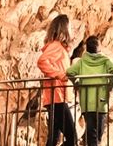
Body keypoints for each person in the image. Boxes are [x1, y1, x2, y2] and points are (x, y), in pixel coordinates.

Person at [67, 36, 113, 146]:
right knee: (98, 133)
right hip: (101, 102)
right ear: (99, 48)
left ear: (87, 49)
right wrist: (109, 85)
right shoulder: (105, 60)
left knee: (91, 133)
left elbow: (69, 72)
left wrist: (77, 83)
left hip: (87, 102)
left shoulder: (82, 61)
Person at [37, 15, 77, 146]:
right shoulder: (56, 46)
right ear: (64, 29)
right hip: (57, 97)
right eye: (70, 27)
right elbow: (42, 61)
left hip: (56, 97)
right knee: (72, 138)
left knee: (54, 138)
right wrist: (60, 75)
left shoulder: (59, 47)